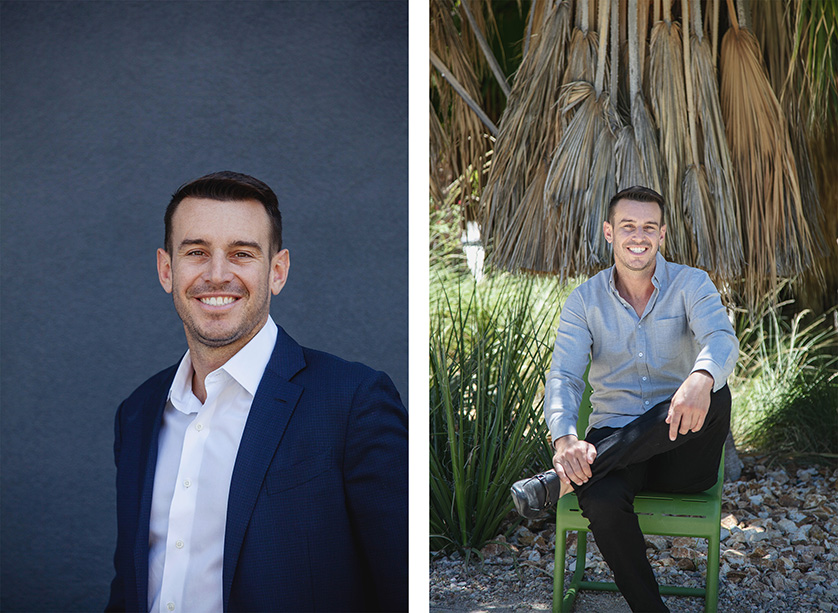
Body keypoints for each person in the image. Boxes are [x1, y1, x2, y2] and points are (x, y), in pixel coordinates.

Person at [106, 171, 408, 613]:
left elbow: (400, 585)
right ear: (166, 269)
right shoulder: (137, 414)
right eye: (196, 252)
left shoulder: (353, 402)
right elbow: (130, 585)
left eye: (241, 254)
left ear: (278, 271)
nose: (217, 274)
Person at [511, 186, 738, 612]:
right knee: (598, 497)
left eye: (649, 227)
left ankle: (558, 481)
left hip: (683, 454)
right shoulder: (584, 301)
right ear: (609, 232)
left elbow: (722, 338)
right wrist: (564, 442)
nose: (639, 236)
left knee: (716, 392)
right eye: (628, 226)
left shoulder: (692, 284)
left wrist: (701, 376)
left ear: (663, 234)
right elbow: (563, 375)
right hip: (614, 445)